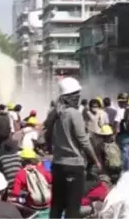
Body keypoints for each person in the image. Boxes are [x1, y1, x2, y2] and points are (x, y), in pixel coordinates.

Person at [45, 77, 101, 219]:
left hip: (58, 164)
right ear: (72, 97)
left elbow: (47, 136)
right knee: (72, 206)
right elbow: (83, 140)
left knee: (56, 205)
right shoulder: (73, 113)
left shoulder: (55, 113)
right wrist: (96, 160)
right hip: (74, 165)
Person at [0, 103, 14, 168]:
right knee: (4, 151)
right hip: (5, 136)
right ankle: (3, 165)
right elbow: (10, 127)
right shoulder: (8, 116)